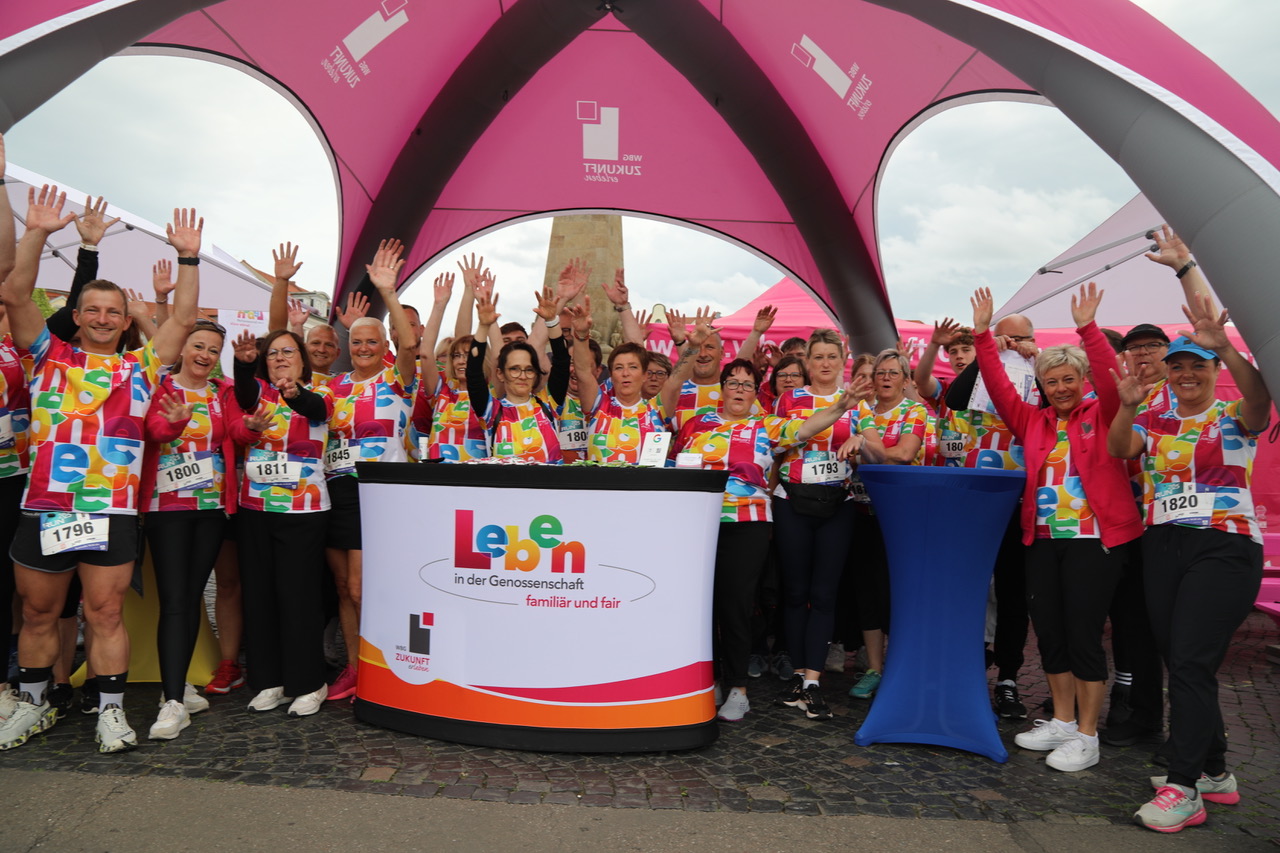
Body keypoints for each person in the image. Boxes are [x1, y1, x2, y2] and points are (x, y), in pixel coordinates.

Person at [0, 189, 199, 753]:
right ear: (78, 316)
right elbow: (14, 293)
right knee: (38, 613)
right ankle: (34, 704)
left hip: (109, 510)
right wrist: (37, 231)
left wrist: (188, 257)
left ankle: (111, 712)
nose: (104, 318)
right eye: (93, 310)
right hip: (46, 505)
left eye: (113, 311)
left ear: (125, 319)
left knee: (105, 612)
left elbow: (185, 318)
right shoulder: (47, 355)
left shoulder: (142, 366)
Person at [1108, 294, 1269, 832]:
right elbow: (1119, 449)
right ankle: (1216, 771)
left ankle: (1184, 786)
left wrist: (1225, 344)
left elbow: (1259, 399)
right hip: (1163, 544)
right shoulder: (1156, 419)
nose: (1186, 375)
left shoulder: (1233, 416)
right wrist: (1127, 406)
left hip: (1224, 545)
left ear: (1214, 370)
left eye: (1197, 365)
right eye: (1177, 367)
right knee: (1181, 659)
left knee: (1192, 663)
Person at [670, 317, 882, 723]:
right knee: (699, 604)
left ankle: (739, 686)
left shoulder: (766, 424)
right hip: (698, 523)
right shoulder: (697, 424)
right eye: (732, 383)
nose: (739, 389)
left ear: (756, 394)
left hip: (751, 520)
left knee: (737, 604)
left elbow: (806, 428)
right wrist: (689, 350)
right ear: (722, 388)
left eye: (747, 385)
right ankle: (706, 679)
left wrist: (842, 407)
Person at [972, 283, 1143, 774]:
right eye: (1051, 382)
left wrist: (1088, 328)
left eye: (1069, 379)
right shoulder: (1033, 421)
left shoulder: (1103, 411)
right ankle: (1063, 721)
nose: (1061, 388)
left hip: (1095, 542)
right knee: (1049, 634)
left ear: (1082, 380)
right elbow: (999, 387)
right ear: (1041, 386)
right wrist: (983, 336)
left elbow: (1110, 381)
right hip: (1044, 541)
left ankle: (1088, 735)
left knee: (1082, 635)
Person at [321, 240, 419, 701]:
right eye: (356, 341)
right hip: (336, 490)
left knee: (362, 588)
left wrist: (388, 292)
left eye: (371, 342)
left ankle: (383, 667)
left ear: (384, 348)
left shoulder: (396, 380)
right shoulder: (334, 386)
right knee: (344, 587)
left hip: (378, 493)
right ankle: (355, 668)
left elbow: (411, 343)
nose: (363, 348)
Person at [771, 330, 879, 718]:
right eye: (817, 357)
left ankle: (813, 682)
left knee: (824, 594)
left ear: (843, 360)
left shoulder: (858, 403)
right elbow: (777, 444)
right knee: (795, 592)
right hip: (792, 502)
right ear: (808, 362)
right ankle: (799, 674)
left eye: (832, 356)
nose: (825, 363)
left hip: (838, 504)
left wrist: (861, 442)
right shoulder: (790, 399)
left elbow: (879, 450)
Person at [226, 328, 332, 717]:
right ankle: (269, 680)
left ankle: (309, 682)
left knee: (298, 597)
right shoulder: (257, 394)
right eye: (272, 353)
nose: (280, 358)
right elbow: (242, 393)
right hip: (256, 509)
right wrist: (243, 365)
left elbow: (317, 410)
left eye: (288, 351)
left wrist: (294, 394)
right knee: (259, 597)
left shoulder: (324, 391)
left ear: (303, 358)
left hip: (303, 511)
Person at [141, 319, 233, 739]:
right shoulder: (159, 388)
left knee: (192, 595)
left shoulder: (221, 393)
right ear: (182, 348)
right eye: (198, 346)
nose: (205, 355)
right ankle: (173, 700)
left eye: (213, 350)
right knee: (176, 599)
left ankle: (176, 686)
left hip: (210, 508)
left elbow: (234, 433)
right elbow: (154, 431)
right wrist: (175, 423)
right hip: (168, 508)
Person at [841, 348, 929, 701]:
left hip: (904, 515)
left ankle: (902, 668)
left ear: (906, 380)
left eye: (894, 373)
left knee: (900, 594)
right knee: (868, 595)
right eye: (881, 373)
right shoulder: (860, 411)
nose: (887, 378)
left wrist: (864, 447)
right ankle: (874, 669)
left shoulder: (914, 411)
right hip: (863, 513)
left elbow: (906, 453)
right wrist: (869, 451)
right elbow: (850, 457)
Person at [466, 269, 578, 463]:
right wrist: (483, 327)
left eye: (529, 369)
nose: (523, 375)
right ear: (500, 374)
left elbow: (562, 360)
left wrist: (552, 321)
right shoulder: (491, 410)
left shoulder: (549, 404)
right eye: (514, 369)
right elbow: (473, 372)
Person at [567, 299, 667, 464]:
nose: (625, 373)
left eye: (633, 367)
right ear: (611, 376)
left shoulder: (658, 408)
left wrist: (688, 346)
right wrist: (581, 336)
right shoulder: (599, 404)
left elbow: (678, 378)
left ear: (645, 375)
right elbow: (583, 371)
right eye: (619, 368)